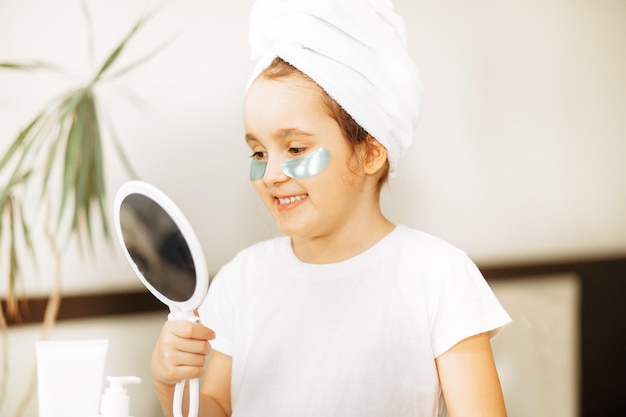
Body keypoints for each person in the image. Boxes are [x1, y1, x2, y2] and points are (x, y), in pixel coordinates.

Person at [151, 1, 512, 416]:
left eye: (296, 148)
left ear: (370, 153)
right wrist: (170, 384)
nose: (271, 174)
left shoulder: (437, 278)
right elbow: (216, 406)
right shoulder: (242, 281)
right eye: (258, 152)